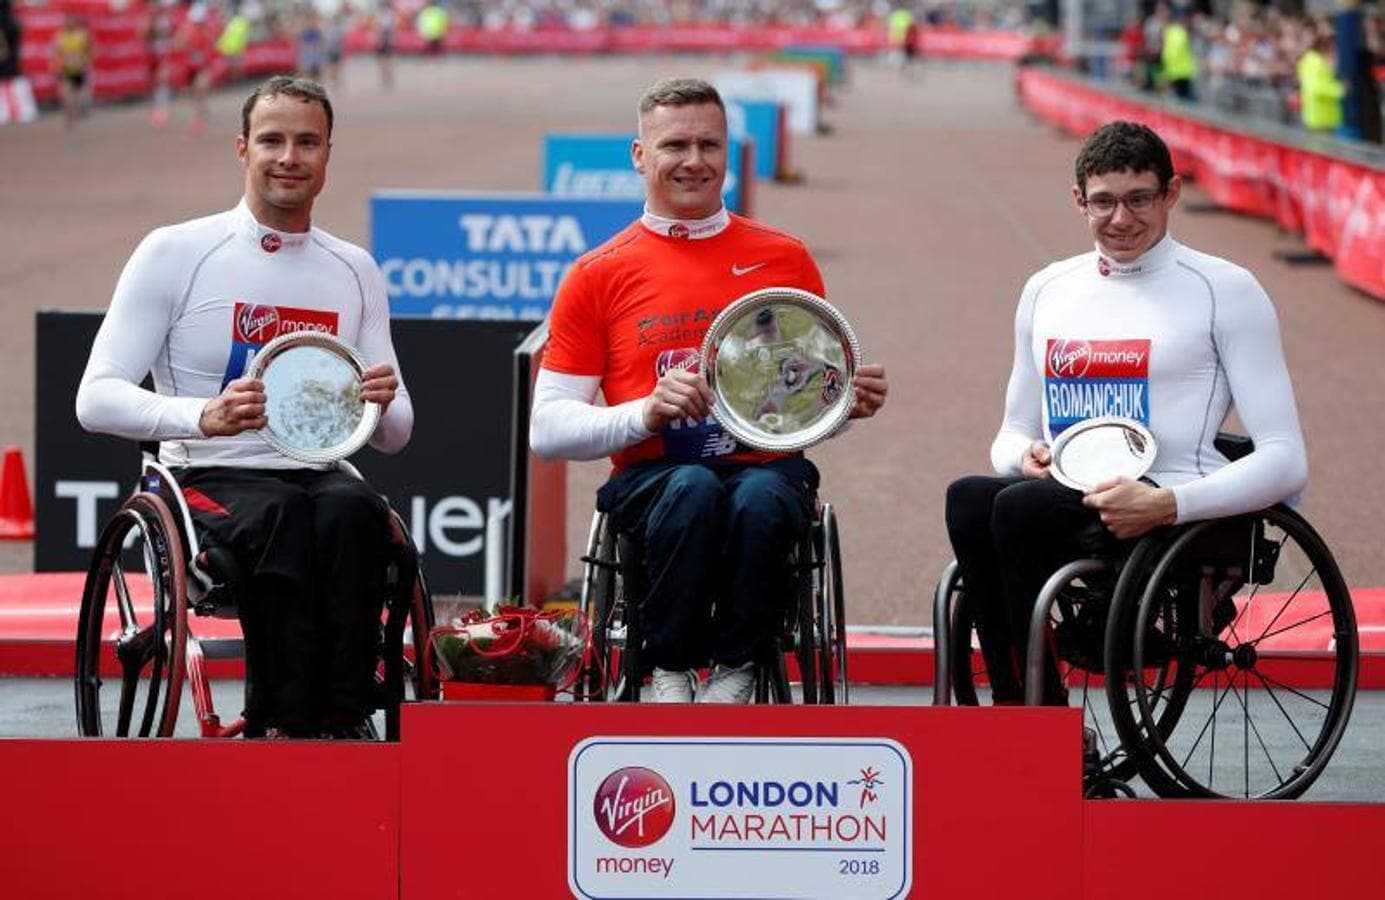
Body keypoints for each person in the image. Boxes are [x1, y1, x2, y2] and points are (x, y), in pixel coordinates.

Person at [531, 77, 888, 704]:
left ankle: (736, 671)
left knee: (755, 498)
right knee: (692, 486)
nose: (694, 161)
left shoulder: (785, 258)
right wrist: (645, 413)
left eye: (709, 145)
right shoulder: (596, 274)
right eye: (675, 145)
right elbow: (547, 430)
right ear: (640, 156)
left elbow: (809, 407)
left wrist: (844, 407)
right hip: (653, 480)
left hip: (767, 471)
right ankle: (667, 670)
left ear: (730, 154)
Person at [75, 76, 413, 739]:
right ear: (242, 149)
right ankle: (282, 720)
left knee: (355, 516)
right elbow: (94, 398)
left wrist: (384, 401)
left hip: (319, 476)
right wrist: (202, 416)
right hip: (205, 476)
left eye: (307, 142)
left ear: (327, 155)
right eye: (272, 140)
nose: (289, 156)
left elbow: (396, 433)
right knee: (280, 516)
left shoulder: (354, 270)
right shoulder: (176, 252)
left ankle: (347, 713)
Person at [944, 121, 1306, 711]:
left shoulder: (1226, 290)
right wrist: (1022, 455)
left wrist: (1167, 504)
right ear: (1079, 200)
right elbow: (1010, 432)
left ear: (1171, 194)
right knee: (968, 496)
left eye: (1140, 199)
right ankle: (1025, 707)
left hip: (1170, 501)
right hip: (1066, 495)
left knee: (1015, 507)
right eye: (1104, 201)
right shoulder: (1046, 289)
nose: (1121, 219)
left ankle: (1035, 717)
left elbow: (1286, 460)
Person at [51, 12, 91, 132]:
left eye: (72, 22)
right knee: (67, 95)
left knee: (79, 95)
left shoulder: (82, 35)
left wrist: (85, 61)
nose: (70, 24)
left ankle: (78, 111)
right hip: (66, 70)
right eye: (68, 22)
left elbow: (90, 50)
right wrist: (57, 64)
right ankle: (70, 116)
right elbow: (56, 52)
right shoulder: (60, 37)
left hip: (79, 69)